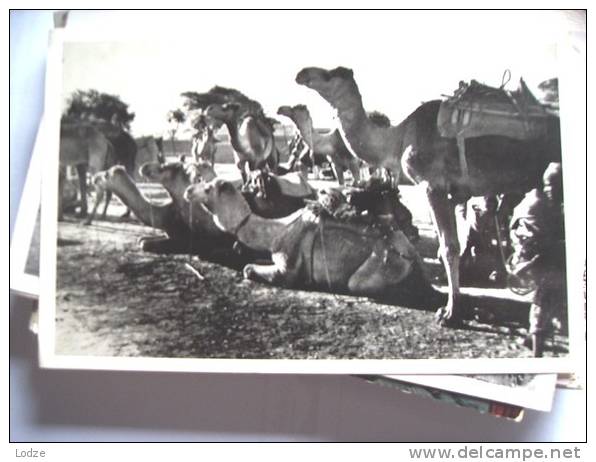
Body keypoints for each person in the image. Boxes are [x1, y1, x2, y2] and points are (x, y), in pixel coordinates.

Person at [508, 162, 566, 356]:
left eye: (555, 185)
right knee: (542, 307)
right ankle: (537, 354)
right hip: (547, 267)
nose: (551, 190)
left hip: (556, 264)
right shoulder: (537, 205)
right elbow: (536, 241)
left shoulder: (556, 206)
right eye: (548, 185)